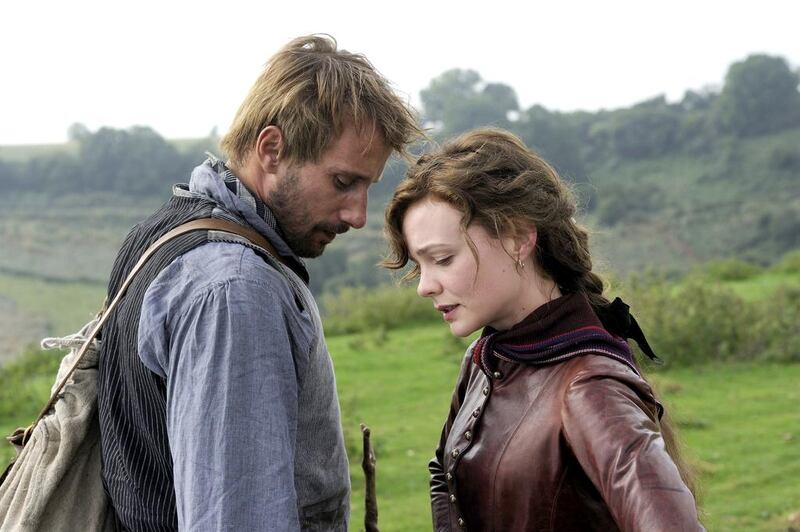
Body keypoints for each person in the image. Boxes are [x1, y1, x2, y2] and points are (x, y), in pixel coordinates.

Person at [96, 35, 421, 531]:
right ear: (272, 149)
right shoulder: (235, 289)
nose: (358, 215)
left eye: (367, 187)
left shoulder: (161, 234)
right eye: (342, 182)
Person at [383, 128, 704, 531]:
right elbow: (445, 473)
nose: (424, 286)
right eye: (419, 264)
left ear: (518, 239)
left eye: (443, 259)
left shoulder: (590, 387)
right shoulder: (485, 360)